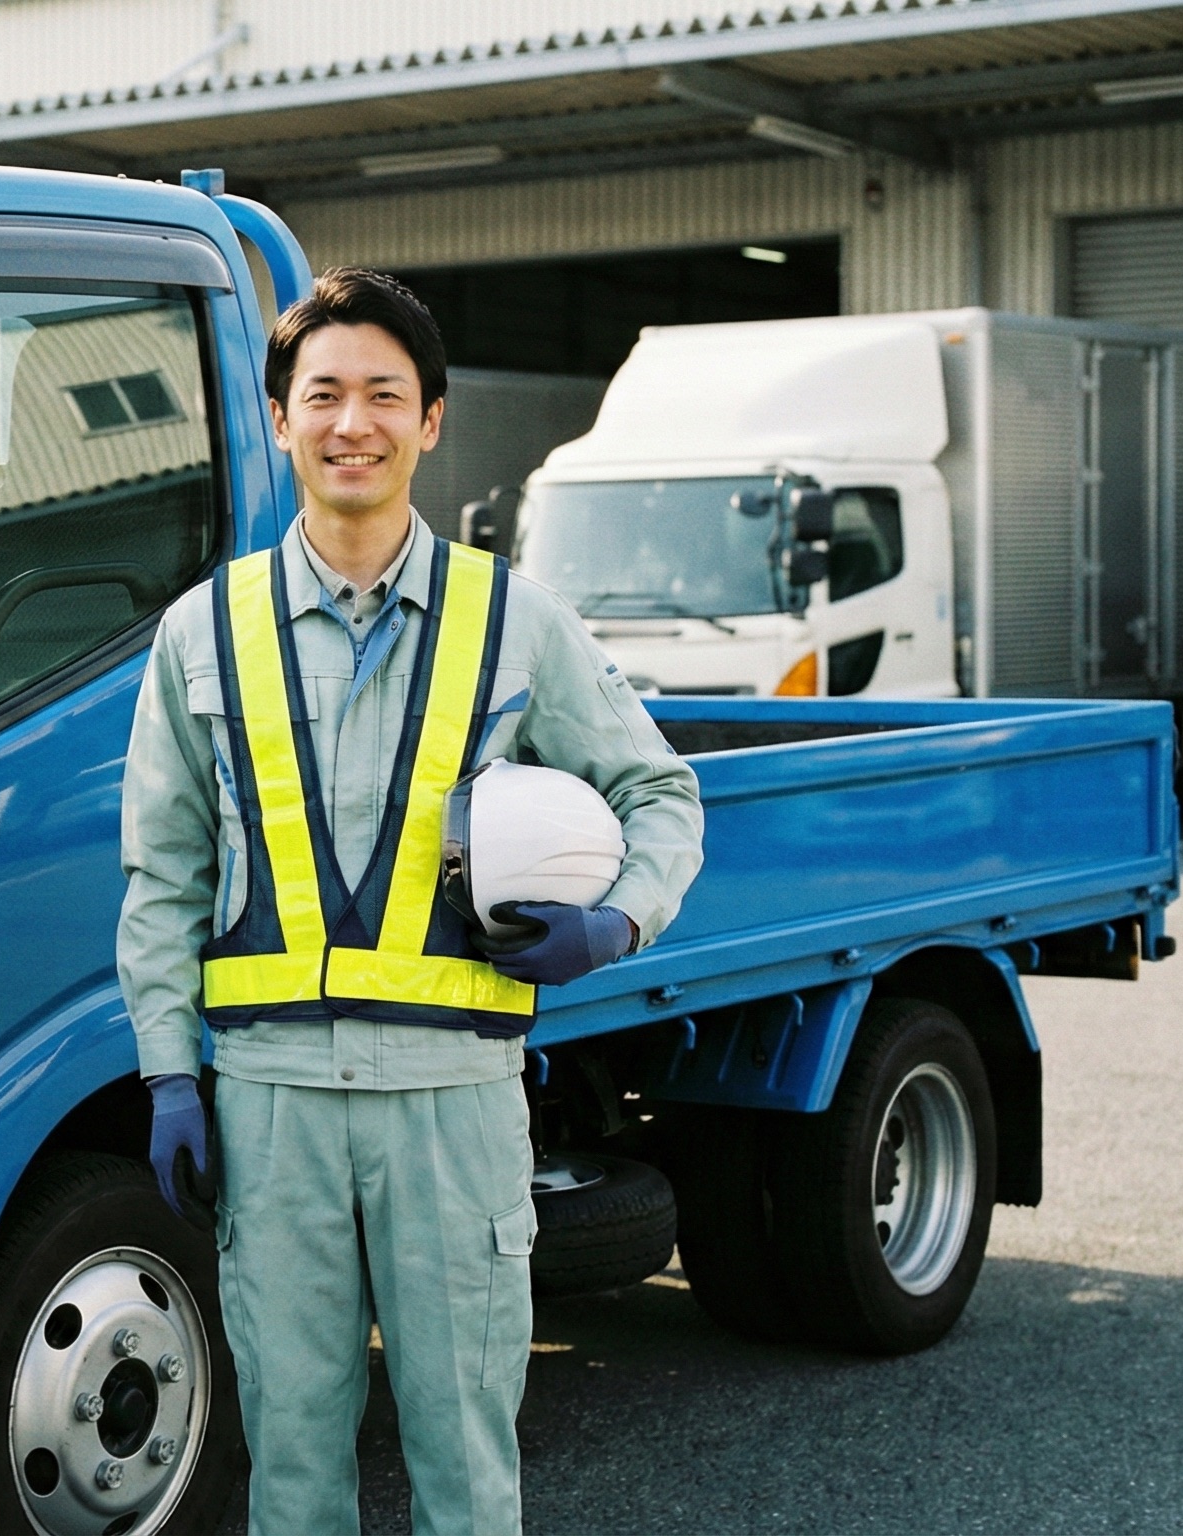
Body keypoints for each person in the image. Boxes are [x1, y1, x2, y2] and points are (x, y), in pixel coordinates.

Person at [114, 268, 704, 1536]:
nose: (351, 424)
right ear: (279, 419)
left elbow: (661, 794)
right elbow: (162, 876)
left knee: (464, 1461)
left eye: (385, 394)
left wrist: (617, 923)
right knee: (291, 1463)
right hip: (269, 1110)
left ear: (430, 420)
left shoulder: (517, 621)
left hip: (453, 1108)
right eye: (321, 394)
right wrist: (171, 1074)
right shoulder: (199, 635)